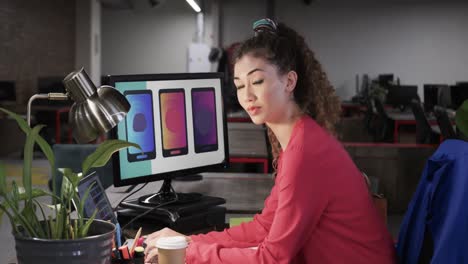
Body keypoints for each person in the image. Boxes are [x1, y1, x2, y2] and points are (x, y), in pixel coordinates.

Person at [144, 18, 396, 263]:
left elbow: (272, 258)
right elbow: (265, 226)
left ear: (289, 81)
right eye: (240, 85)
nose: (247, 96)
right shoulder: (301, 139)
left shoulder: (304, 153)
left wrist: (188, 255)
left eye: (257, 81)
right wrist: (190, 243)